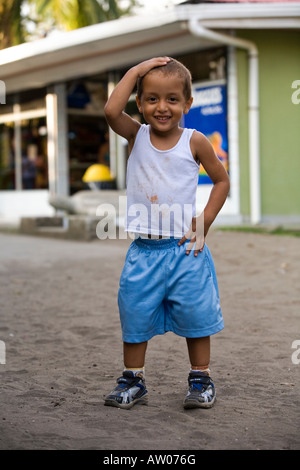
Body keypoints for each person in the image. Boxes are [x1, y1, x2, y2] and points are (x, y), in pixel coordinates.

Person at [104, 57, 230, 409]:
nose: (162, 107)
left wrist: (203, 222)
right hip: (144, 252)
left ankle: (201, 379)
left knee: (196, 317)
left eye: (172, 99)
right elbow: (112, 110)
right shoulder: (136, 134)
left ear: (187, 103)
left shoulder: (195, 141)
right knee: (134, 313)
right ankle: (133, 379)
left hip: (185, 251)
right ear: (141, 103)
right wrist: (134, 71)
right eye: (152, 99)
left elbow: (222, 181)